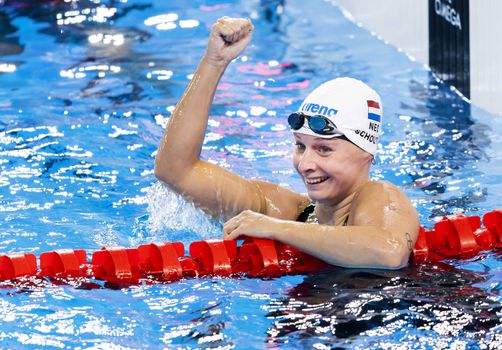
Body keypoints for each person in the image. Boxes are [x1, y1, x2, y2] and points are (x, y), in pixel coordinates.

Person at [154, 17, 419, 269]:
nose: (305, 164)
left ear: (366, 153)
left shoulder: (380, 196)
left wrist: (274, 228)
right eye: (300, 146)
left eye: (324, 149)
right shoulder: (287, 210)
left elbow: (390, 251)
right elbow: (176, 170)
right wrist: (214, 62)